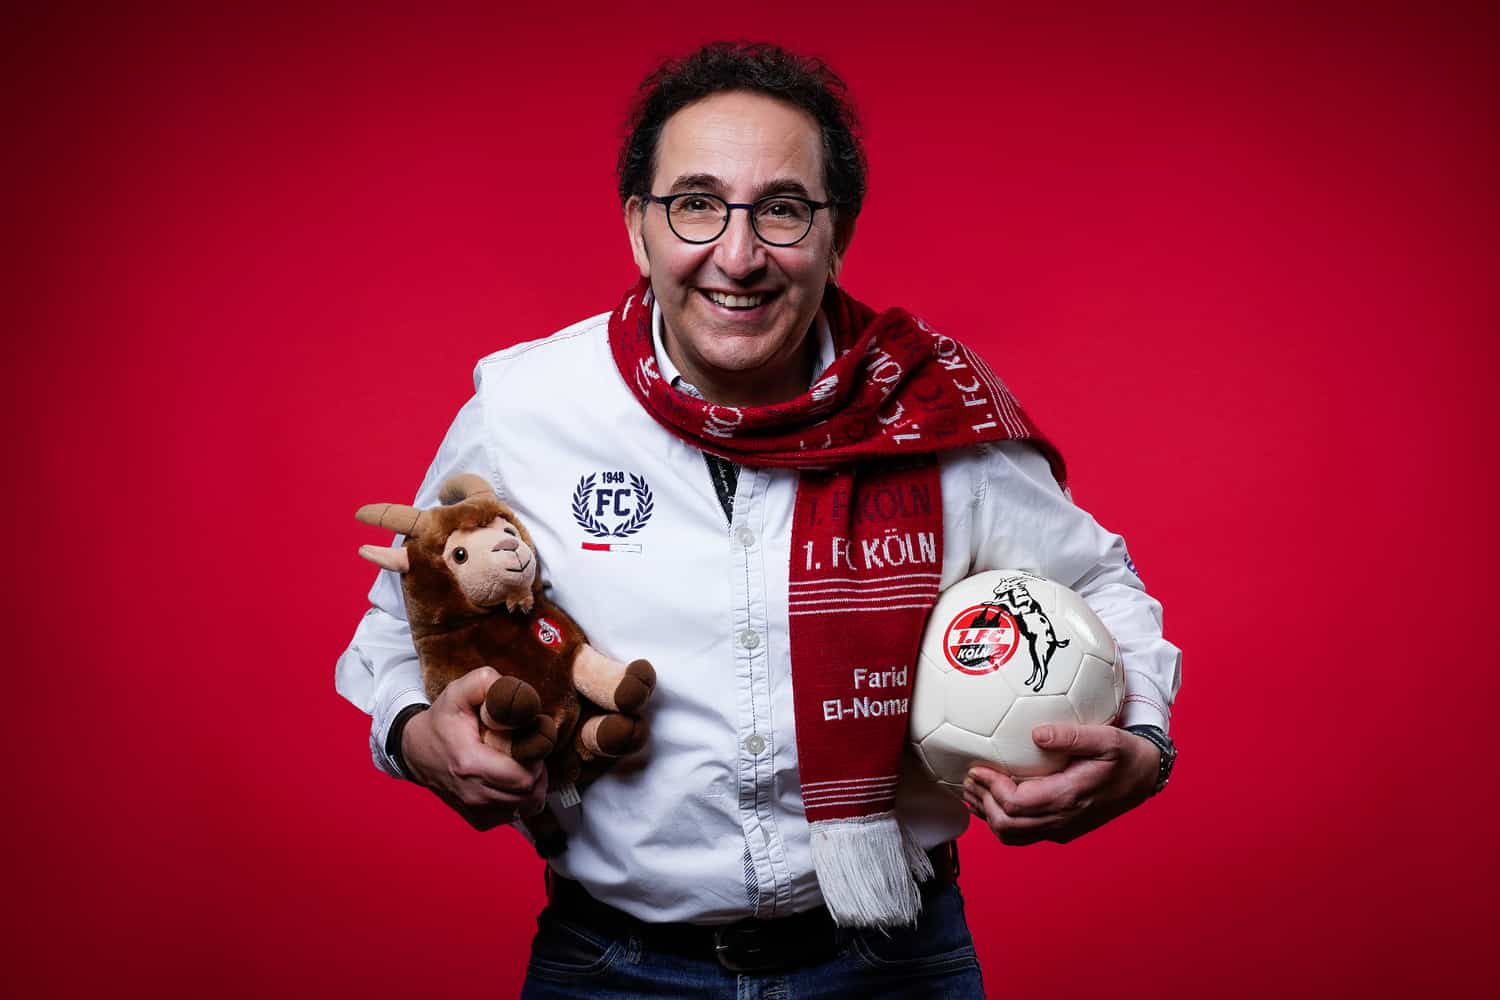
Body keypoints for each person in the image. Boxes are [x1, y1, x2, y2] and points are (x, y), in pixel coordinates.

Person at [335, 41, 1181, 998]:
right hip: (609, 969)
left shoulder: (928, 412)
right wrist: (416, 733)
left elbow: (1100, 583)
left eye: (781, 209)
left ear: (836, 234)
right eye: (696, 204)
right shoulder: (527, 408)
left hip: (894, 966)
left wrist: (1142, 747)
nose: (737, 257)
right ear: (638, 229)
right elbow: (400, 625)